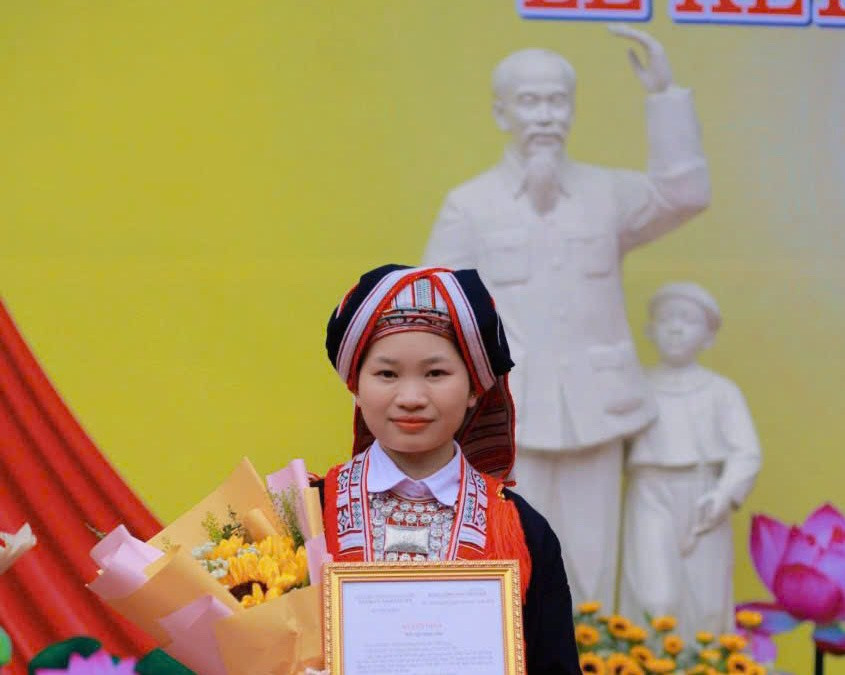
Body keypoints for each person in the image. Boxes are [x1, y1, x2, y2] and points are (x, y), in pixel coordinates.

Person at [422, 26, 711, 608]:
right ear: (502, 113)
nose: (546, 115)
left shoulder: (607, 193)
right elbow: (434, 307)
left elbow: (684, 195)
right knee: (515, 553)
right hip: (510, 415)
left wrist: (664, 96)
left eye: (558, 100)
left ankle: (596, 657)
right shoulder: (470, 205)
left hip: (597, 409)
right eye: (530, 101)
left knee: (591, 560)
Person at [318, 264, 581, 674]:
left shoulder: (523, 530)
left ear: (476, 386)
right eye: (386, 373)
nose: (410, 397)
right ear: (355, 384)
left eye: (436, 373)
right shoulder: (303, 514)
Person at [619, 282, 762, 639]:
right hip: (650, 494)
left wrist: (725, 494)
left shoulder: (720, 391)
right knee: (655, 595)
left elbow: (746, 451)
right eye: (667, 319)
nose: (677, 327)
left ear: (708, 336)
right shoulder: (636, 387)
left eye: (689, 320)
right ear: (651, 330)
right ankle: (646, 661)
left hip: (703, 494)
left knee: (707, 599)